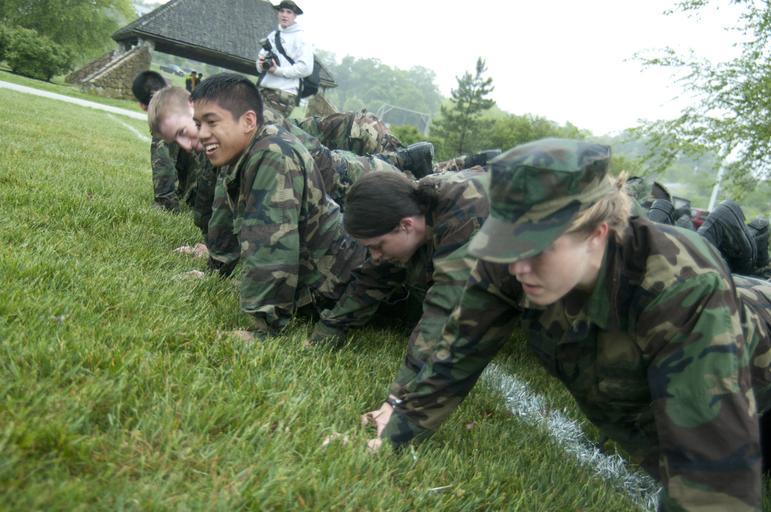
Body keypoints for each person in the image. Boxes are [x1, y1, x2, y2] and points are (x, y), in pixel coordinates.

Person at [373, 138, 771, 511]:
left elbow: (712, 480)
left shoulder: (680, 287)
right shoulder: (510, 260)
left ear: (597, 233)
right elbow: (455, 355)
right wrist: (392, 433)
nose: (516, 267)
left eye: (535, 249)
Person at [188, 72, 367, 333]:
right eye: (198, 124)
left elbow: (273, 241)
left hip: (344, 285)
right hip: (322, 281)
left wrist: (264, 325)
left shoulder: (273, 154)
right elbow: (223, 218)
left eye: (212, 122)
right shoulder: (237, 151)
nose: (202, 134)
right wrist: (216, 270)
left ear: (248, 121)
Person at [307, 170, 489, 409]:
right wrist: (326, 333)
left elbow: (444, 311)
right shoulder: (410, 205)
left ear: (406, 226)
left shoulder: (465, 217)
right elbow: (373, 278)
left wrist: (398, 402)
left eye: (378, 246)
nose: (375, 256)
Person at [132, 70, 198, 213]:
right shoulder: (179, 101)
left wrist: (165, 200)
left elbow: (164, 163)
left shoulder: (166, 115)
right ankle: (192, 196)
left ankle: (167, 204)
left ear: (142, 105)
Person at [257, 0, 313, 119]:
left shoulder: (301, 37)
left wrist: (277, 70)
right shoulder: (273, 35)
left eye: (289, 12)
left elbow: (306, 68)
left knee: (267, 128)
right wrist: (261, 64)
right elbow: (260, 62)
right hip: (263, 90)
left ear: (295, 16)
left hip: (284, 94)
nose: (284, 15)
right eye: (282, 11)